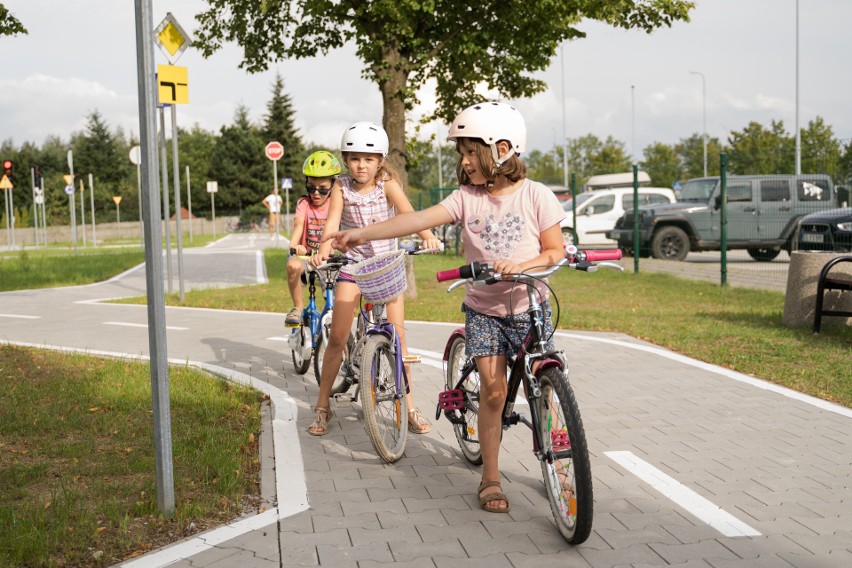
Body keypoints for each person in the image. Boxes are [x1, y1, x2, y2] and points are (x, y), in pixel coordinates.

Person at [326, 103, 565, 514]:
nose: (465, 162)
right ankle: (491, 476)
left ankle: (560, 466)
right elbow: (414, 219)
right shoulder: (465, 199)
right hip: (485, 310)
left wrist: (522, 266)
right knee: (492, 392)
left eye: (472, 152)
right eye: (463, 154)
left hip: (532, 305)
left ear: (503, 149)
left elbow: (554, 250)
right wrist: (362, 232)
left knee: (546, 386)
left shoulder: (536, 195)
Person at [308, 121, 442, 437]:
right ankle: (322, 406)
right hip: (353, 268)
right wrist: (324, 248)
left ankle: (408, 407)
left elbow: (411, 215)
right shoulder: (341, 186)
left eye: (368, 159)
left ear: (379, 160)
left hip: (386, 268)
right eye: (354, 158)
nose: (361, 165)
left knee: (399, 340)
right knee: (338, 336)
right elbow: (333, 222)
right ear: (345, 159)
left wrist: (428, 236)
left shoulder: (387, 184)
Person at [284, 150, 340, 325]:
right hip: (306, 256)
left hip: (328, 258)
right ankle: (298, 308)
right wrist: (294, 245)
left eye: (323, 189)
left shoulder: (336, 204)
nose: (316, 193)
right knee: (293, 265)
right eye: (311, 188)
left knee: (340, 302)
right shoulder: (304, 203)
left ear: (333, 186)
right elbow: (299, 225)